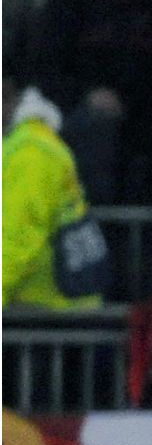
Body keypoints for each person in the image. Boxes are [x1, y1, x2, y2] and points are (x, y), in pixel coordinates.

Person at [3, 70, 106, 310]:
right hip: (44, 307)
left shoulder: (30, 152)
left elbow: (18, 237)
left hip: (48, 311)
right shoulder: (22, 145)